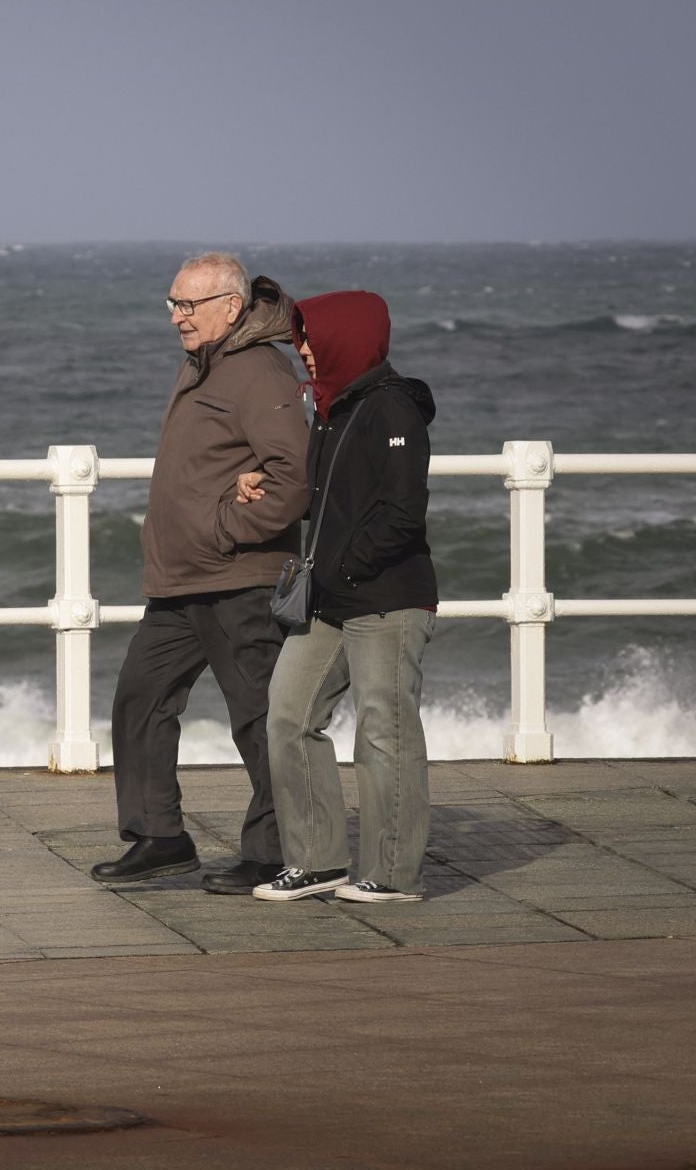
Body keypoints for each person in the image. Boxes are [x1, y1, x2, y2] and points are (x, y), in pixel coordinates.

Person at [91, 252, 309, 894]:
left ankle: (274, 852)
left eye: (190, 305)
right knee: (140, 696)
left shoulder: (259, 372)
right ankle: (160, 837)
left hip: (238, 577)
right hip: (182, 580)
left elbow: (293, 473)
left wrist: (227, 529)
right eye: (173, 304)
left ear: (231, 306)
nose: (178, 317)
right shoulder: (205, 364)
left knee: (258, 715)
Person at [241, 290, 438, 904]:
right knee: (288, 718)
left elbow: (402, 515)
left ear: (345, 337)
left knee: (385, 732)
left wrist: (345, 569)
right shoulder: (330, 407)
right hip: (328, 596)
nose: (301, 347)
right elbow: (325, 500)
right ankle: (318, 861)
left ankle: (393, 874)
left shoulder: (392, 410)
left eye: (308, 336)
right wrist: (250, 479)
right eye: (299, 337)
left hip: (387, 599)